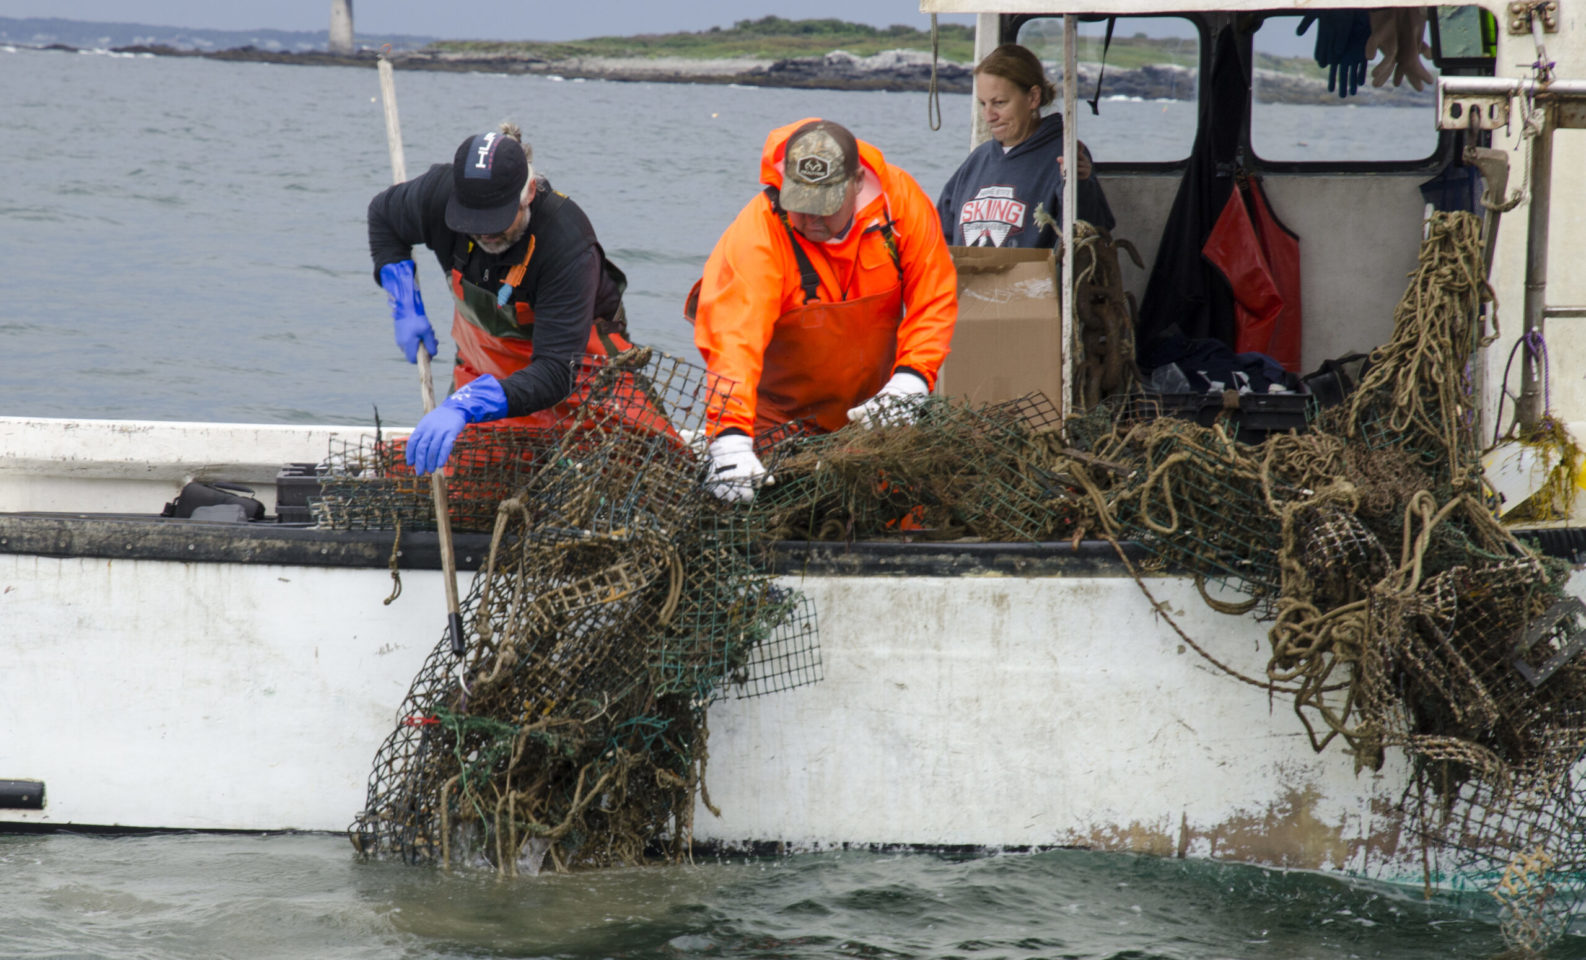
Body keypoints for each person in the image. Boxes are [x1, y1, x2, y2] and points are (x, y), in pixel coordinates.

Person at [688, 118, 959, 503]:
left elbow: (933, 297)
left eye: (825, 207)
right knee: (771, 519)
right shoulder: (758, 232)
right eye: (801, 206)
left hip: (876, 418)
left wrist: (913, 378)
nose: (812, 220)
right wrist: (729, 438)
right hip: (779, 426)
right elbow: (733, 341)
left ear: (857, 181)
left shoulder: (900, 203)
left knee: (894, 515)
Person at [367, 122, 634, 475]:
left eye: (497, 221)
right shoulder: (437, 194)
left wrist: (467, 405)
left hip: (578, 380)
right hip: (481, 365)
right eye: (472, 222)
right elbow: (384, 216)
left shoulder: (567, 242)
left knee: (607, 472)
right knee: (460, 477)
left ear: (529, 194)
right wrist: (404, 302)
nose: (485, 234)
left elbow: (556, 372)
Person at [937, 43, 1116, 248]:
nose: (989, 116)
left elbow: (1090, 238)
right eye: (983, 104)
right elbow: (939, 237)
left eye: (999, 103)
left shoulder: (1065, 156)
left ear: (1033, 98)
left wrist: (1082, 186)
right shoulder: (977, 160)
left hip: (1036, 281)